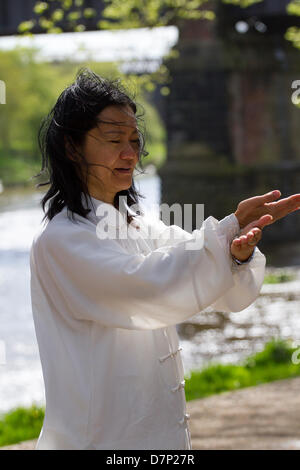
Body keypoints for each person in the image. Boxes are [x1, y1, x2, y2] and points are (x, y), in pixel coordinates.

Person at [29, 68, 300, 450]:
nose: (129, 153)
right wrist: (227, 229)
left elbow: (196, 267)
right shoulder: (61, 240)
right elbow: (147, 285)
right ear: (72, 147)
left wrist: (235, 251)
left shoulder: (135, 225)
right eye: (113, 140)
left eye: (134, 140)